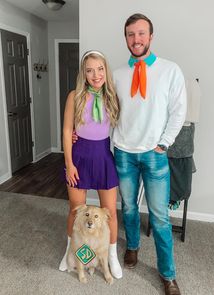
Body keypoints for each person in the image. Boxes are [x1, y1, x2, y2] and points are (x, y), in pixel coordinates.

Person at [111, 14, 186, 295]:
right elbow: (110, 113)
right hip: (124, 153)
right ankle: (132, 247)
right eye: (131, 34)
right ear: (126, 38)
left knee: (160, 218)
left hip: (154, 154)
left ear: (151, 37)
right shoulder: (116, 74)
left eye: (141, 33)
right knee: (128, 207)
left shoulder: (170, 70)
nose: (136, 39)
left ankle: (168, 275)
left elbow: (179, 110)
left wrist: (165, 143)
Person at [59, 50, 123, 279]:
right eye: (90, 70)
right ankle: (73, 252)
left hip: (103, 156)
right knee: (76, 211)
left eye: (100, 69)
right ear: (83, 74)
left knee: (110, 213)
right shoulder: (74, 95)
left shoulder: (112, 96)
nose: (95, 75)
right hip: (79, 157)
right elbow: (67, 130)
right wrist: (69, 164)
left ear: (105, 70)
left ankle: (112, 256)